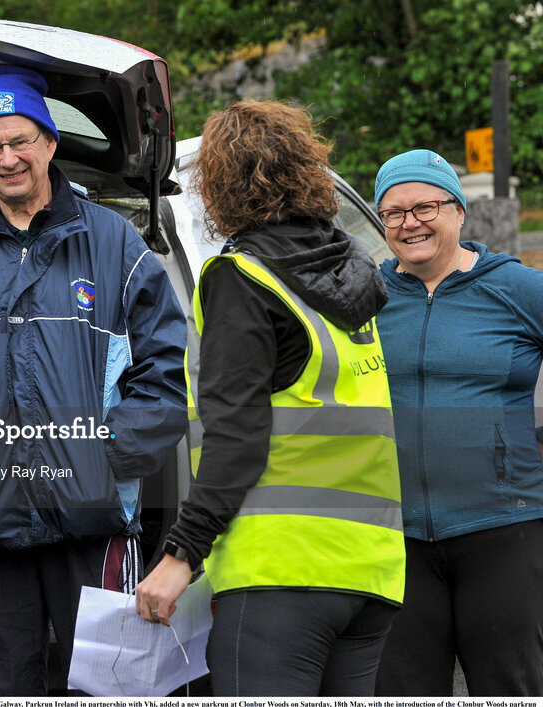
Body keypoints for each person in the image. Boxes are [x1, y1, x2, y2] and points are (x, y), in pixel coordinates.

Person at [0, 65, 187, 696]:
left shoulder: (114, 244)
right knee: (0, 689)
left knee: (109, 689)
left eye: (20, 140)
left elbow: (166, 375)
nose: (7, 158)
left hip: (93, 520)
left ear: (50, 144)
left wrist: (104, 460)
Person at [135, 100, 406, 696]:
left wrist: (181, 554)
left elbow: (237, 439)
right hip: (373, 572)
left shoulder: (242, 279)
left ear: (222, 185)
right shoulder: (354, 272)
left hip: (280, 574)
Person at [371, 150, 543, 696]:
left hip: (503, 529)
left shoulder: (515, 288)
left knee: (510, 685)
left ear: (459, 211)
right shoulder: (365, 297)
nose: (409, 222)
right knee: (404, 690)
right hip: (395, 539)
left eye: (425, 206)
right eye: (393, 212)